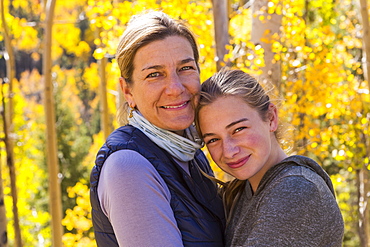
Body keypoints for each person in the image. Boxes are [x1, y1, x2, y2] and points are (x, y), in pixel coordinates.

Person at [90, 11, 225, 247]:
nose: (175, 88)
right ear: (128, 91)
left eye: (185, 68)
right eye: (154, 75)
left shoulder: (190, 153)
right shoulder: (128, 168)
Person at [195, 68, 344, 246]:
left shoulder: (296, 189)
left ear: (271, 118)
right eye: (213, 139)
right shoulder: (243, 193)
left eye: (238, 129)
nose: (228, 151)